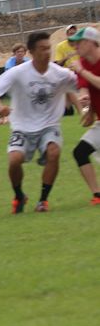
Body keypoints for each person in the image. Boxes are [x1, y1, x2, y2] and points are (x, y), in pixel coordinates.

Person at [0, 31, 82, 214]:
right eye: (42, 49)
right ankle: (19, 195)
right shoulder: (18, 73)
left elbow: (82, 85)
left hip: (49, 125)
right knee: (14, 160)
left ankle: (43, 200)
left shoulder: (60, 73)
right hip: (22, 126)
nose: (47, 52)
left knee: (54, 152)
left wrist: (84, 103)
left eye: (48, 48)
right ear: (31, 52)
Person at [65, 25, 100, 205]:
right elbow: (85, 88)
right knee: (80, 152)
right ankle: (97, 195)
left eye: (78, 42)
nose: (75, 46)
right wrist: (87, 105)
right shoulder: (83, 63)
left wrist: (81, 71)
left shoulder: (82, 67)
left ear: (90, 42)